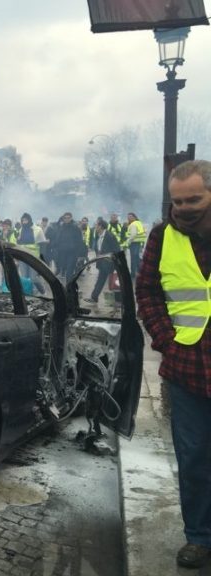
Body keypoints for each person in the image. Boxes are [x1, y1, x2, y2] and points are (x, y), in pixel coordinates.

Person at [135, 159, 211, 569]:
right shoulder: (162, 237)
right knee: (195, 459)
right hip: (188, 372)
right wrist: (166, 341)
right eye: (178, 200)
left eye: (194, 199)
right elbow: (146, 291)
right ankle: (199, 536)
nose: (184, 208)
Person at [84, 219, 121, 304]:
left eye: (96, 224)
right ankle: (94, 297)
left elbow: (116, 250)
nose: (95, 226)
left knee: (115, 281)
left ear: (100, 226)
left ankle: (119, 301)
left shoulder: (109, 236)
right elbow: (99, 249)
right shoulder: (99, 235)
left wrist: (107, 256)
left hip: (110, 262)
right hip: (103, 263)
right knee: (100, 280)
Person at [126, 212, 147, 282]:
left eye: (130, 217)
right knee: (137, 257)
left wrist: (128, 242)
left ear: (134, 217)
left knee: (133, 259)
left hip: (134, 243)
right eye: (128, 217)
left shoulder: (133, 224)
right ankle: (141, 271)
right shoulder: (139, 223)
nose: (129, 218)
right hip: (139, 242)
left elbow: (133, 235)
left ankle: (133, 274)